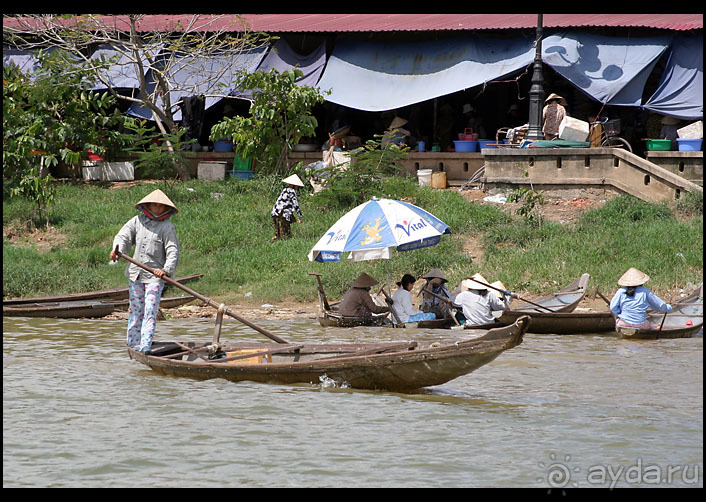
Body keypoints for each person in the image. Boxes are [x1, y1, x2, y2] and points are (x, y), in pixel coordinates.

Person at [110, 189, 180, 353]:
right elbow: (123, 236)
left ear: (165, 208)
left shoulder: (167, 227)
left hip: (155, 278)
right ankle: (133, 344)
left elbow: (172, 251)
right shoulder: (137, 222)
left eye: (160, 206)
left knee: (150, 311)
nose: (157, 209)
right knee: (135, 311)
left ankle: (145, 346)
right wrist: (116, 250)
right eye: (154, 205)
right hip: (137, 274)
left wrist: (165, 270)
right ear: (147, 205)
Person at [271, 174, 304, 240]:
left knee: (278, 233)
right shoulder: (292, 191)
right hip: (283, 214)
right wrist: (300, 216)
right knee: (285, 235)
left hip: (275, 212)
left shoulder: (284, 190)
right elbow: (296, 205)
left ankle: (276, 240)